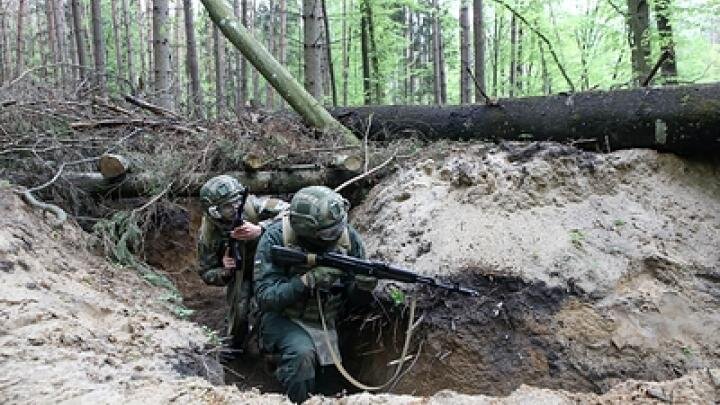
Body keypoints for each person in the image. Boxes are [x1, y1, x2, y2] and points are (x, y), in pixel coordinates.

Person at [253, 185, 377, 403]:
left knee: (330, 387)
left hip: (325, 321)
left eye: (340, 226)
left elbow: (355, 301)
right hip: (283, 317)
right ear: (306, 231)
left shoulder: (348, 240)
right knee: (302, 357)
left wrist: (362, 287)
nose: (338, 233)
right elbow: (265, 297)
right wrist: (307, 280)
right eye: (330, 232)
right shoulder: (276, 238)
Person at [196, 175, 288, 353]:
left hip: (272, 268)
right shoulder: (208, 234)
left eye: (237, 202)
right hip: (241, 275)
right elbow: (206, 272)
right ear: (214, 211)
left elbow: (293, 214)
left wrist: (261, 228)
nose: (236, 208)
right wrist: (224, 270)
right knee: (239, 312)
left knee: (273, 306)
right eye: (227, 206)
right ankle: (237, 348)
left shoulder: (255, 206)